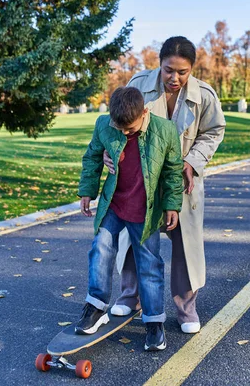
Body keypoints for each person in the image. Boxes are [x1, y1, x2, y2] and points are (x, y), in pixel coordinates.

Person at [104, 36, 226, 334]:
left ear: (192, 69)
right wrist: (111, 150)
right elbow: (117, 121)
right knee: (135, 238)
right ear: (159, 64)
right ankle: (131, 297)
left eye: (182, 72)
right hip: (139, 180)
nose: (174, 78)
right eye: (169, 70)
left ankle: (186, 309)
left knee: (186, 246)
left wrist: (193, 161)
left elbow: (213, 132)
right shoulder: (138, 84)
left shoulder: (205, 95)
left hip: (182, 183)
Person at [76, 86, 184, 352]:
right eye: (119, 127)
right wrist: (87, 191)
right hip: (113, 203)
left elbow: (172, 172)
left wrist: (172, 205)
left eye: (130, 128)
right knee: (100, 249)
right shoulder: (104, 124)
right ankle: (97, 307)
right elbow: (92, 157)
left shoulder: (166, 131)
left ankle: (154, 322)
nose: (123, 133)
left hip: (145, 211)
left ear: (145, 112)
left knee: (149, 264)